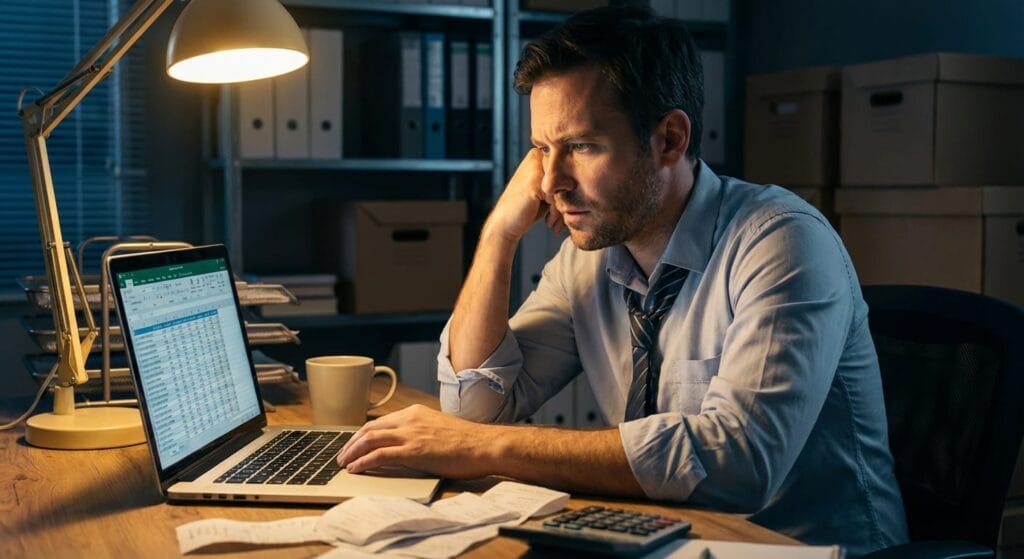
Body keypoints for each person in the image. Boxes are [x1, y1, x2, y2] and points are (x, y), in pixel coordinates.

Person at [337, 6, 907, 556]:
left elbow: (738, 465)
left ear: (670, 140)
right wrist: (499, 235)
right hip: (664, 540)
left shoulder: (781, 241)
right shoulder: (589, 258)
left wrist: (485, 447)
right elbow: (475, 405)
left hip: (806, 549)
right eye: (541, 149)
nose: (551, 182)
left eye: (581, 146)